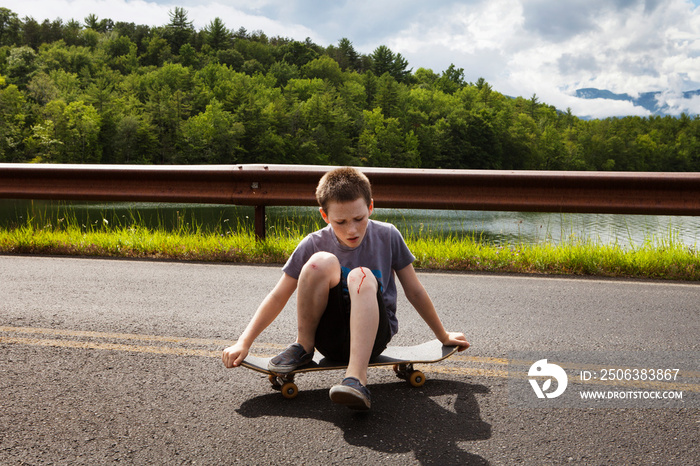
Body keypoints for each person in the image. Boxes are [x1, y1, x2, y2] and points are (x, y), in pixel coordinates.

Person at [222, 167, 469, 410]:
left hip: (374, 338)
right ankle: (303, 347)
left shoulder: (388, 235)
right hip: (328, 339)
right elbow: (278, 295)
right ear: (325, 215)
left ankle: (356, 380)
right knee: (321, 262)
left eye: (359, 219)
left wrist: (443, 336)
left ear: (370, 207)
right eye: (340, 221)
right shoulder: (313, 243)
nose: (352, 230)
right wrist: (244, 342)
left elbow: (414, 291)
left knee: (361, 276)